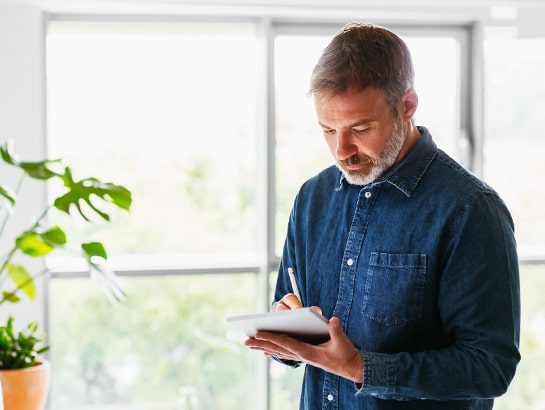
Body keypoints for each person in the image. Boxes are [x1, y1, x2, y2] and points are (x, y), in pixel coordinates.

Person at [244, 23, 521, 409]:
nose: (341, 151)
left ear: (407, 106)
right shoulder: (313, 198)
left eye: (360, 128)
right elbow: (291, 336)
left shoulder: (469, 209)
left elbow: (490, 367)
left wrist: (361, 368)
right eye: (328, 129)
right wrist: (287, 338)